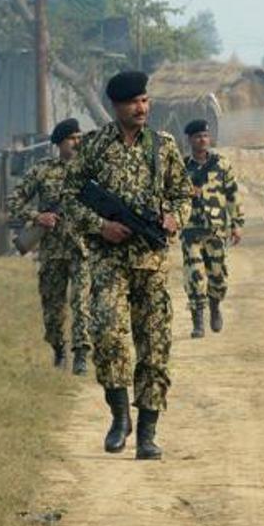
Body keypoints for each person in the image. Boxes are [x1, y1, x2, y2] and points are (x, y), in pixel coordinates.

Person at [63, 70, 191, 461]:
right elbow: (69, 197)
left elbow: (183, 193)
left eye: (145, 100)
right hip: (109, 261)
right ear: (116, 106)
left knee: (154, 347)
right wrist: (101, 226)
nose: (141, 108)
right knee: (109, 337)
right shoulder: (95, 145)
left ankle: (148, 434)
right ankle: (120, 417)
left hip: (151, 263)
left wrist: (174, 217)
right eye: (133, 102)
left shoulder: (163, 145)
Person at [7, 118, 92, 375]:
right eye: (71, 138)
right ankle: (59, 349)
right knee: (53, 308)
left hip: (82, 249)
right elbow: (13, 201)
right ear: (59, 143)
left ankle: (81, 354)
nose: (76, 142)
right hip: (52, 251)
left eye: (79, 138)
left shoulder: (90, 170)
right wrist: (37, 217)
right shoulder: (42, 171)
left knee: (81, 303)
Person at [180, 119, 243, 338]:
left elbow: (232, 195)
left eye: (205, 136)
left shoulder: (221, 164)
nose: (202, 140)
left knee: (218, 276)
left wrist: (237, 224)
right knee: (194, 275)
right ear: (190, 140)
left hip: (216, 230)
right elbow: (170, 195)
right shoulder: (181, 167)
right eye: (198, 136)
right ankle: (197, 320)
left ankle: (215, 305)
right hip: (191, 229)